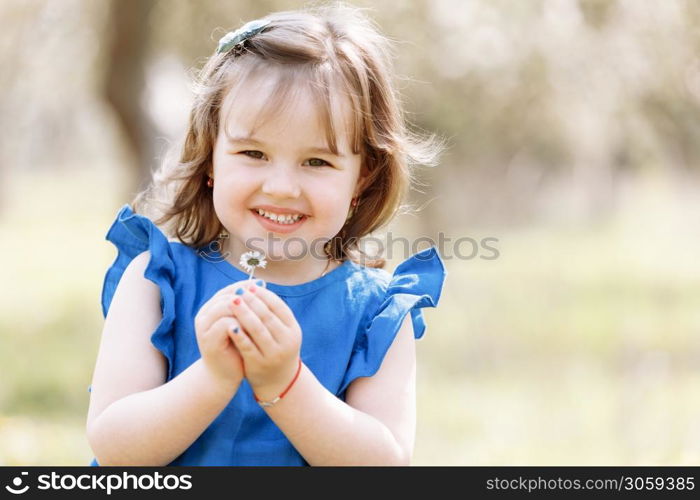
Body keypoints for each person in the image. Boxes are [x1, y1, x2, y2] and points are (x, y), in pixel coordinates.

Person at [86, 2, 446, 466]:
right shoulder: (155, 282)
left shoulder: (377, 314)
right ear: (211, 156)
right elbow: (115, 448)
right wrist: (214, 376)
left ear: (362, 179)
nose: (281, 187)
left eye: (317, 162)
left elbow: (384, 463)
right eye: (253, 153)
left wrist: (285, 383)